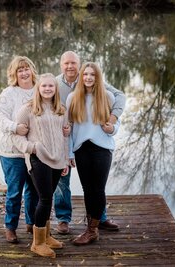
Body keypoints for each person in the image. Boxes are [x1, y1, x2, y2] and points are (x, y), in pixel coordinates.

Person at [53, 51, 126, 234]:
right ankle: (64, 219)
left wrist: (113, 120)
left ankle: (98, 220)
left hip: (96, 143)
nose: (70, 67)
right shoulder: (54, 84)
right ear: (61, 65)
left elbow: (119, 97)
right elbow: (40, 101)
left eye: (73, 63)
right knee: (63, 182)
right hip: (63, 139)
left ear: (79, 65)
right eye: (66, 63)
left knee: (97, 187)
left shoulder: (101, 89)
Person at [12, 73, 70, 258]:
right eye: (44, 86)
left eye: (51, 86)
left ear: (55, 89)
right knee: (44, 198)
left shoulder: (61, 109)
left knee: (49, 197)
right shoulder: (28, 109)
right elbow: (16, 136)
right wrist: (32, 148)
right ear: (38, 88)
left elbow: (64, 135)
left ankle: (46, 235)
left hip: (57, 158)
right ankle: (37, 243)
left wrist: (65, 159)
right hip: (39, 158)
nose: (47, 89)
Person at [67, 62, 120, 245]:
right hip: (81, 149)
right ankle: (92, 227)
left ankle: (92, 230)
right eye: (85, 74)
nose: (88, 77)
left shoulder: (108, 97)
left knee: (98, 189)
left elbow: (117, 123)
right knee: (87, 190)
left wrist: (112, 128)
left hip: (102, 148)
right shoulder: (73, 98)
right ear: (81, 77)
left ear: (98, 77)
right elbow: (69, 128)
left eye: (92, 75)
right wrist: (69, 153)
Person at [0, 56, 39, 243]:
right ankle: (10, 227)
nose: (24, 73)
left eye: (27, 68)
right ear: (14, 73)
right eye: (20, 70)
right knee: (14, 191)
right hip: (12, 151)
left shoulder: (40, 90)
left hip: (34, 150)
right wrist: (15, 127)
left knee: (34, 189)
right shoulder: (8, 94)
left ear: (32, 70)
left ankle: (31, 223)